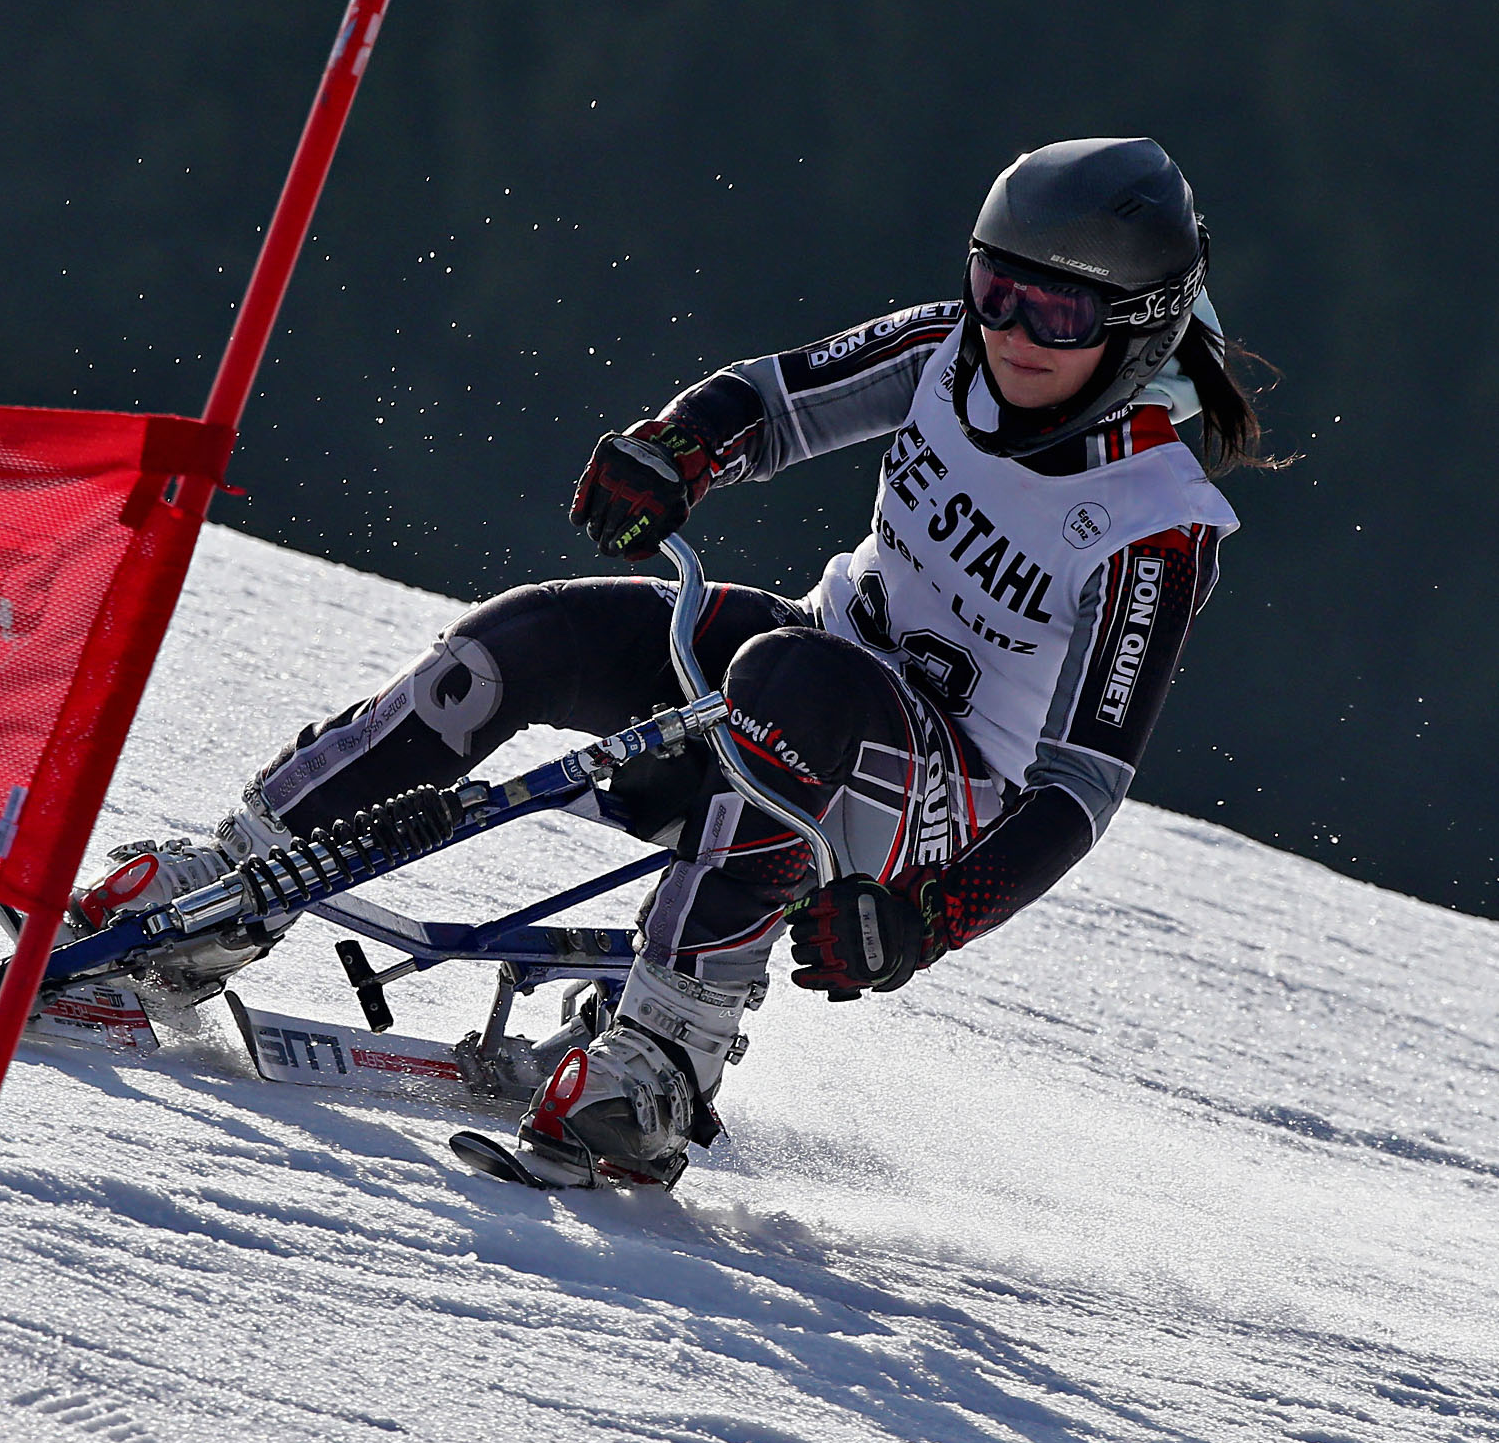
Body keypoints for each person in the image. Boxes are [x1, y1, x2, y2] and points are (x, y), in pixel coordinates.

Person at [71, 137, 1275, 1188]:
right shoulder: (945, 352)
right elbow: (771, 399)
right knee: (526, 639)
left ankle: (660, 1060)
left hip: (924, 805)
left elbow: (1082, 786)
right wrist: (679, 447)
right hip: (792, 682)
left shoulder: (1152, 522)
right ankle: (232, 883)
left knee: (788, 685)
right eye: (993, 288)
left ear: (1136, 327)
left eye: (1054, 313)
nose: (1009, 331)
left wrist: (934, 919)